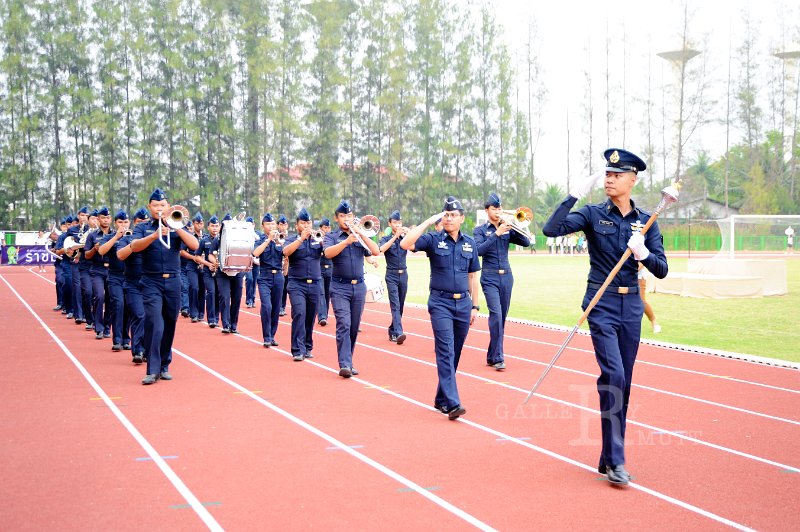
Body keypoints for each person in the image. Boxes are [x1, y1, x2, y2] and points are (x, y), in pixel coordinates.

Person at [542, 148, 668, 486]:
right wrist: (572, 195)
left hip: (631, 309)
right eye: (607, 174)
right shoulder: (592, 214)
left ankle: (607, 456)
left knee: (623, 382)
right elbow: (550, 230)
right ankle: (616, 461)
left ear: (633, 179)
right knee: (612, 374)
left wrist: (644, 252)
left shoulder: (647, 221)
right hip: (601, 305)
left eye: (617, 174)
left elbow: (663, 269)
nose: (609, 179)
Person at [400, 196, 480, 420]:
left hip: (464, 304)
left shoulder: (470, 243)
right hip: (440, 303)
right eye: (446, 215)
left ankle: (441, 397)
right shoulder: (433, 239)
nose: (449, 218)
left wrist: (475, 306)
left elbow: (473, 276)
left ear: (462, 218)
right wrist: (427, 222)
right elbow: (405, 244)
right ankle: (453, 403)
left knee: (455, 353)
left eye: (454, 215)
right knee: (445, 351)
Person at [129, 188, 199, 385]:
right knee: (155, 324)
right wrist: (154, 235)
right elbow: (134, 246)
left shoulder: (177, 226)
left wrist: (176, 226)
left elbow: (194, 245)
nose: (159, 208)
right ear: (149, 207)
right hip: (151, 281)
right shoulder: (143, 228)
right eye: (155, 205)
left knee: (170, 323)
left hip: (174, 281)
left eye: (163, 205)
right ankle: (152, 369)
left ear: (168, 207)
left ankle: (164, 365)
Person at [473, 193, 531, 371]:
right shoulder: (480, 230)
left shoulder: (508, 227)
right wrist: (496, 234)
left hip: (507, 276)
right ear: (486, 210)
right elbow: (478, 251)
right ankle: (498, 357)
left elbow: (526, 242)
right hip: (489, 276)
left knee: (501, 318)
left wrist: (516, 225)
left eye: (499, 208)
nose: (498, 211)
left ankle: (492, 355)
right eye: (494, 208)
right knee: (496, 315)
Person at [323, 201, 380, 377]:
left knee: (354, 327)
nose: (346, 219)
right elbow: (328, 253)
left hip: (359, 287)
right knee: (344, 324)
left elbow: (376, 251)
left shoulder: (360, 235)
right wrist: (346, 242)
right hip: (340, 286)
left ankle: (349, 359)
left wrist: (361, 234)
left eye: (349, 216)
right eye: (342, 216)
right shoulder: (332, 236)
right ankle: (345, 363)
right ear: (336, 218)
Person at [283, 208, 322, 361]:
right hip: (296, 283)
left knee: (311, 316)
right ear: (297, 225)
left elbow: (327, 253)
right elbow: (286, 251)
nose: (306, 225)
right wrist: (301, 239)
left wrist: (321, 240)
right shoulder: (291, 239)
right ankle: (297, 349)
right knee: (299, 313)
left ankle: (307, 346)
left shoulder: (317, 239)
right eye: (303, 223)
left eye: (308, 222)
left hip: (315, 283)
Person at [117, 208, 149, 364]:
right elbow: (120, 255)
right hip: (132, 284)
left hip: (150, 284)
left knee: (151, 318)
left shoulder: (153, 238)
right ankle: (138, 350)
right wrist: (134, 245)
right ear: (134, 224)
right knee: (139, 315)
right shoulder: (126, 239)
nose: (142, 224)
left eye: (145, 222)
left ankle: (148, 349)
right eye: (139, 222)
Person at [98, 210, 132, 351]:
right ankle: (117, 339)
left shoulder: (134, 237)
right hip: (115, 277)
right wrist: (116, 237)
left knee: (129, 308)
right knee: (118, 306)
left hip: (130, 277)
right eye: (120, 222)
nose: (123, 225)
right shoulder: (109, 237)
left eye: (125, 222)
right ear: (115, 223)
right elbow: (101, 251)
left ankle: (126, 338)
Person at [253, 213, 284, 348]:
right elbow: (255, 253)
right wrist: (268, 240)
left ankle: (272, 335)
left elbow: (287, 253)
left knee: (276, 308)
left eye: (272, 224)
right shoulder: (260, 240)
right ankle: (266, 336)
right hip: (264, 276)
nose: (271, 226)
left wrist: (280, 242)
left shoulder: (281, 240)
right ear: (263, 226)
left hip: (278, 276)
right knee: (267, 306)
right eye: (268, 224)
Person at [379, 210, 409, 345]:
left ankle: (392, 329)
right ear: (390, 224)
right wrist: (394, 236)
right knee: (395, 305)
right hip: (391, 275)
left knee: (400, 306)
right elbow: (381, 249)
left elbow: (416, 245)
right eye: (395, 222)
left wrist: (409, 233)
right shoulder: (386, 238)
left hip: (404, 274)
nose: (398, 225)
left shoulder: (405, 238)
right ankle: (399, 332)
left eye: (399, 222)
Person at [211, 214, 245, 334]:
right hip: (222, 272)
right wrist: (214, 261)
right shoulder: (218, 239)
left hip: (237, 271)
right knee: (224, 297)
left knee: (236, 298)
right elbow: (211, 254)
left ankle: (233, 325)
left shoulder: (239, 238)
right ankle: (226, 324)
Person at [84, 207, 112, 340]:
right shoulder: (92, 235)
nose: (105, 220)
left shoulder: (115, 234)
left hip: (112, 270)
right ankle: (98, 327)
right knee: (99, 296)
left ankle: (107, 326)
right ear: (98, 219)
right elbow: (87, 255)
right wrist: (94, 250)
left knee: (111, 299)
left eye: (107, 218)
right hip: (97, 270)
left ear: (110, 219)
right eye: (103, 218)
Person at [195, 216, 220, 328]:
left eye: (216, 226)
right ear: (208, 227)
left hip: (220, 273)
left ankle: (217, 316)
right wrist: (208, 264)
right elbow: (197, 257)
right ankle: (211, 319)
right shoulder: (204, 240)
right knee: (211, 292)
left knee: (219, 294)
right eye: (212, 226)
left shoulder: (222, 240)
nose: (215, 228)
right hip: (207, 271)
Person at [182, 213, 206, 322]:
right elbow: (181, 251)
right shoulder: (189, 237)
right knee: (194, 287)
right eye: (197, 223)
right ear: (193, 223)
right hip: (192, 265)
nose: (199, 225)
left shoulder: (205, 237)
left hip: (204, 266)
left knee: (202, 289)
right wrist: (194, 258)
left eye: (201, 223)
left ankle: (201, 312)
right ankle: (193, 313)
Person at [317, 218, 333, 326]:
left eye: (328, 227)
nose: (327, 229)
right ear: (320, 228)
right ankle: (322, 316)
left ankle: (325, 315)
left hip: (331, 267)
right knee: (321, 292)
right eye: (325, 227)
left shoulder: (332, 238)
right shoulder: (316, 237)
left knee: (328, 293)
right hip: (320, 267)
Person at [637, 263, 661, 333]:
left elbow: (642, 262)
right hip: (624, 277)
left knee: (641, 301)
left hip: (639, 277)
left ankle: (654, 323)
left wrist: (631, 270)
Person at [277, 214, 290, 316]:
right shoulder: (275, 236)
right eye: (281, 224)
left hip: (286, 265)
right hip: (277, 265)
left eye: (285, 224)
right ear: (278, 225)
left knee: (285, 287)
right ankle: (277, 306)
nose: (283, 227)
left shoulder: (289, 237)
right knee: (278, 287)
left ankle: (282, 307)